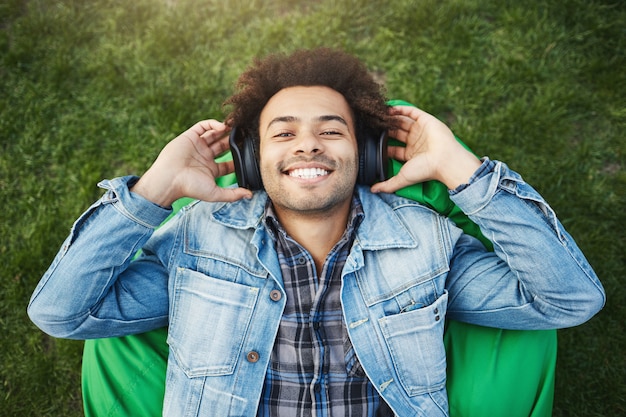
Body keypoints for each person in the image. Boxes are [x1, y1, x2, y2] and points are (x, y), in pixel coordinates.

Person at [28, 48, 605, 417]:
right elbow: (62, 313)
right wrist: (154, 190)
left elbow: (568, 300)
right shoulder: (195, 241)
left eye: (332, 131)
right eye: (283, 134)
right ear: (252, 160)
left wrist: (462, 169)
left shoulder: (428, 243)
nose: (308, 144)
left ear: (370, 153)